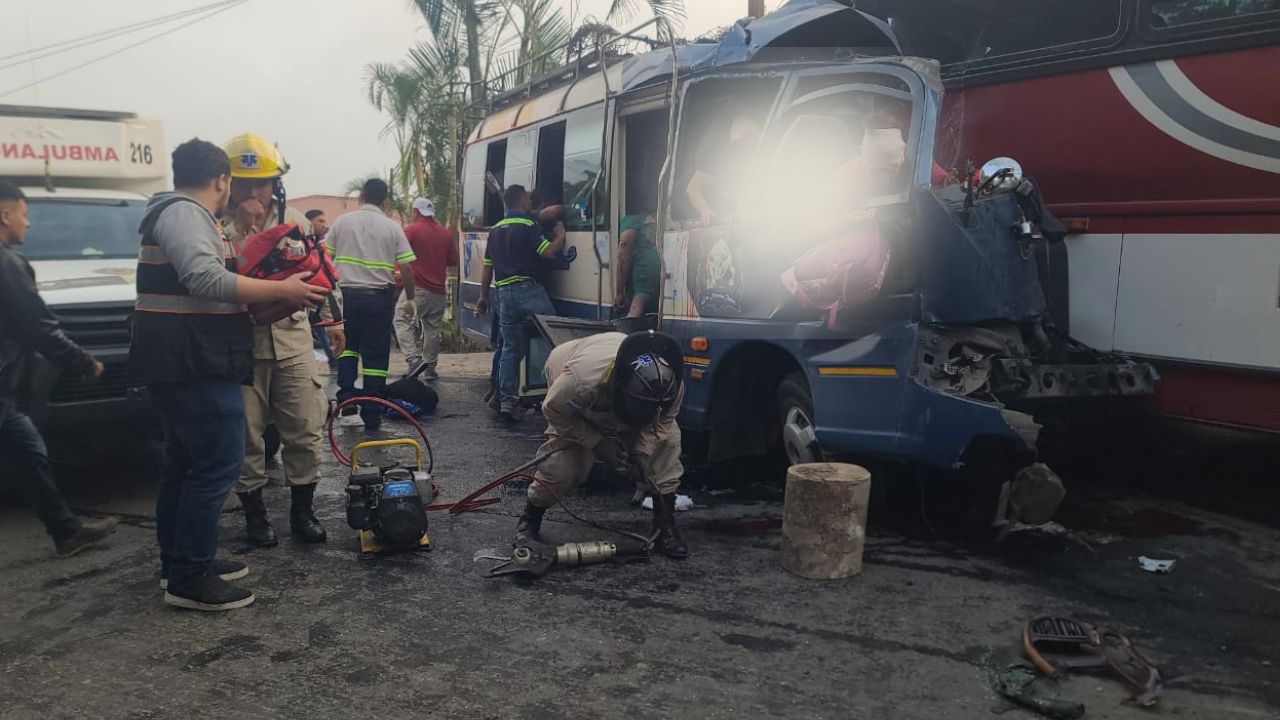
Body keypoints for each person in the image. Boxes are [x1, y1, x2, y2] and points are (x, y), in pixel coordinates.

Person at [129, 138, 327, 611]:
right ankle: (190, 577)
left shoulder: (182, 214)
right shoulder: (186, 215)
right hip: (192, 361)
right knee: (217, 463)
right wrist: (280, 290)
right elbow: (205, 279)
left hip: (188, 356)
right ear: (223, 181)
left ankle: (180, 562)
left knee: (184, 465)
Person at [220, 133, 338, 548]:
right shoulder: (213, 223)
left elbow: (319, 269)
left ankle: (302, 513)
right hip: (240, 345)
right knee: (246, 436)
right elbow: (210, 274)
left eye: (263, 183)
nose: (255, 193)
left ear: (276, 183)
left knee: (305, 427)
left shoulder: (297, 221)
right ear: (228, 183)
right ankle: (255, 518)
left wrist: (333, 320)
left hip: (293, 338)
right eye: (245, 184)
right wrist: (239, 229)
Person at [0, 181, 119, 558]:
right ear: (5, 215)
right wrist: (84, 362)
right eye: (24, 214)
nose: (28, 223)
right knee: (27, 449)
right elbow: (39, 328)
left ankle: (67, 532)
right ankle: (66, 531)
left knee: (27, 450)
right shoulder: (7, 264)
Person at [515, 330, 687, 558]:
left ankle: (665, 524)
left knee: (667, 443)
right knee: (564, 466)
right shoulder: (579, 382)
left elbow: (663, 421)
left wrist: (642, 451)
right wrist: (597, 443)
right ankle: (530, 518)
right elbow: (555, 412)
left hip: (618, 387)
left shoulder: (670, 386)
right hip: (572, 376)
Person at [327, 178, 417, 430]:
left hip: (346, 296)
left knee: (347, 346)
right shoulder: (392, 227)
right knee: (375, 354)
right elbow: (407, 267)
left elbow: (324, 257)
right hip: (379, 297)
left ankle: (346, 397)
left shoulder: (342, 222)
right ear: (385, 201)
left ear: (361, 197)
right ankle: (372, 411)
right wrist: (410, 298)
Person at [475, 185, 565, 419]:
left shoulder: (495, 230)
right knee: (557, 336)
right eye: (528, 199)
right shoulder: (528, 225)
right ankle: (559, 394)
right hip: (528, 290)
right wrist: (560, 236)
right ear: (524, 202)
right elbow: (548, 252)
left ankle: (507, 402)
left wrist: (483, 297)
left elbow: (487, 269)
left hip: (504, 295)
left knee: (510, 349)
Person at [396, 198, 458, 381]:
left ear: (416, 212)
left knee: (401, 320)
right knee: (432, 328)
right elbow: (453, 260)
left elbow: (399, 253)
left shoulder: (412, 230)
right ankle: (430, 368)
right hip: (439, 291)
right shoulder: (444, 233)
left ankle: (414, 360)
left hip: (418, 288)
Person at [685, 113, 763, 223]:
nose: (749, 144)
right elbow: (692, 188)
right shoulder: (720, 159)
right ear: (737, 139)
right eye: (746, 138)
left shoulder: (760, 161)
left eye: (754, 139)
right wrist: (705, 210)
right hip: (714, 218)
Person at [614, 212, 660, 317]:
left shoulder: (630, 220)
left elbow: (623, 253)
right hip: (658, 264)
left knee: (637, 306)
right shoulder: (652, 219)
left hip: (644, 268)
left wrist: (619, 293)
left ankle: (629, 326)